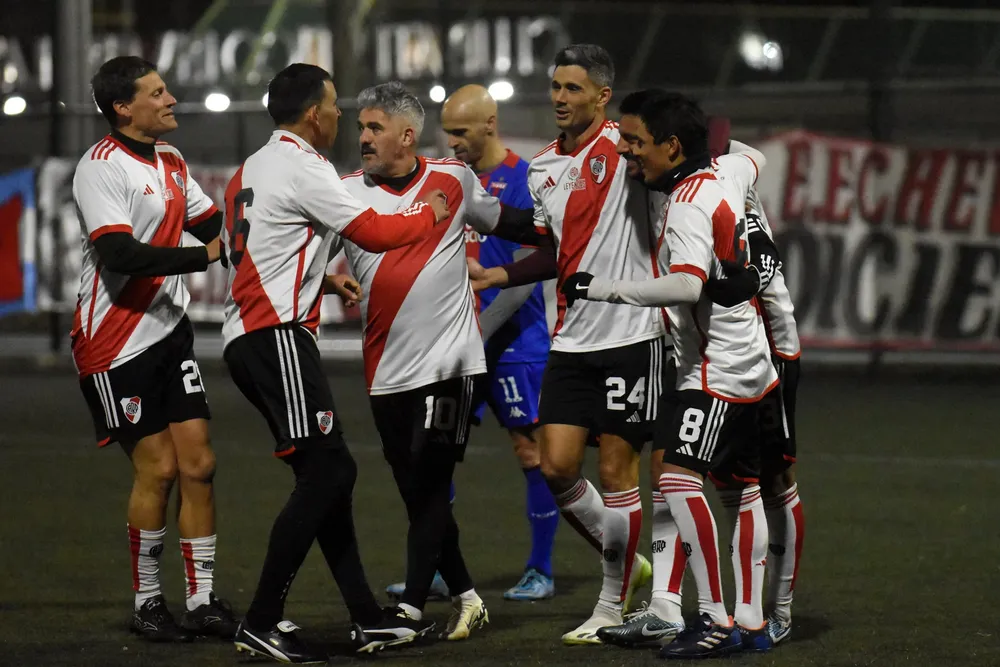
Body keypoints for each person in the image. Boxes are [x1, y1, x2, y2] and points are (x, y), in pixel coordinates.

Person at [220, 64, 450, 665]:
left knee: (329, 475)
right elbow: (372, 230)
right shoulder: (305, 165)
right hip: (276, 338)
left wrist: (321, 278)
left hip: (254, 335)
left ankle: (366, 617)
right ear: (314, 114)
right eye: (334, 104)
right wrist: (430, 214)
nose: (342, 116)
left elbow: (257, 253)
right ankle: (262, 620)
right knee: (328, 475)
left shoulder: (253, 166)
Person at [561, 89, 778, 659]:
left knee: (679, 480)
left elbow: (686, 284)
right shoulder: (725, 173)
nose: (629, 154)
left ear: (673, 147)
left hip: (714, 370)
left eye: (636, 143)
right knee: (741, 488)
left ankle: (710, 618)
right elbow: (754, 157)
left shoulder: (685, 204)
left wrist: (602, 287)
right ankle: (751, 622)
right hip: (752, 360)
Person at [466, 44, 663, 644]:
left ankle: (612, 604)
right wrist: (499, 268)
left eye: (572, 88)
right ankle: (632, 562)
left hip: (632, 332)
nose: (558, 97)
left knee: (616, 468)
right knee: (554, 465)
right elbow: (555, 246)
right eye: (555, 86)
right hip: (572, 339)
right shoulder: (546, 165)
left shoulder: (628, 153)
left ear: (602, 96)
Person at [340, 81, 545, 653]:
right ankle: (469, 597)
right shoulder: (344, 192)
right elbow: (318, 257)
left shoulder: (452, 181)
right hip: (384, 371)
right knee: (416, 492)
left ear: (406, 135)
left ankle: (407, 609)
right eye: (361, 127)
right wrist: (332, 276)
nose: (363, 138)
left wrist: (573, 226)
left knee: (430, 480)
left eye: (374, 127)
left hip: (452, 362)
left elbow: (510, 222)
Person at [72, 55, 237, 643]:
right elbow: (120, 255)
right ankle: (147, 602)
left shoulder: (170, 160)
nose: (171, 100)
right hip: (115, 345)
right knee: (160, 469)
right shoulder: (99, 168)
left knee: (200, 464)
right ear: (123, 107)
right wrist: (206, 257)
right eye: (158, 92)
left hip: (169, 332)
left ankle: (202, 600)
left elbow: (217, 225)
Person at [383, 83, 558, 603]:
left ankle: (541, 570)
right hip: (458, 344)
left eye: (461, 132)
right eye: (448, 132)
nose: (453, 141)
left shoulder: (524, 179)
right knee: (433, 455)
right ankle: (437, 566)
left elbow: (526, 278)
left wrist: (474, 335)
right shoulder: (449, 180)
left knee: (532, 452)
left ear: (490, 123)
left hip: (514, 341)